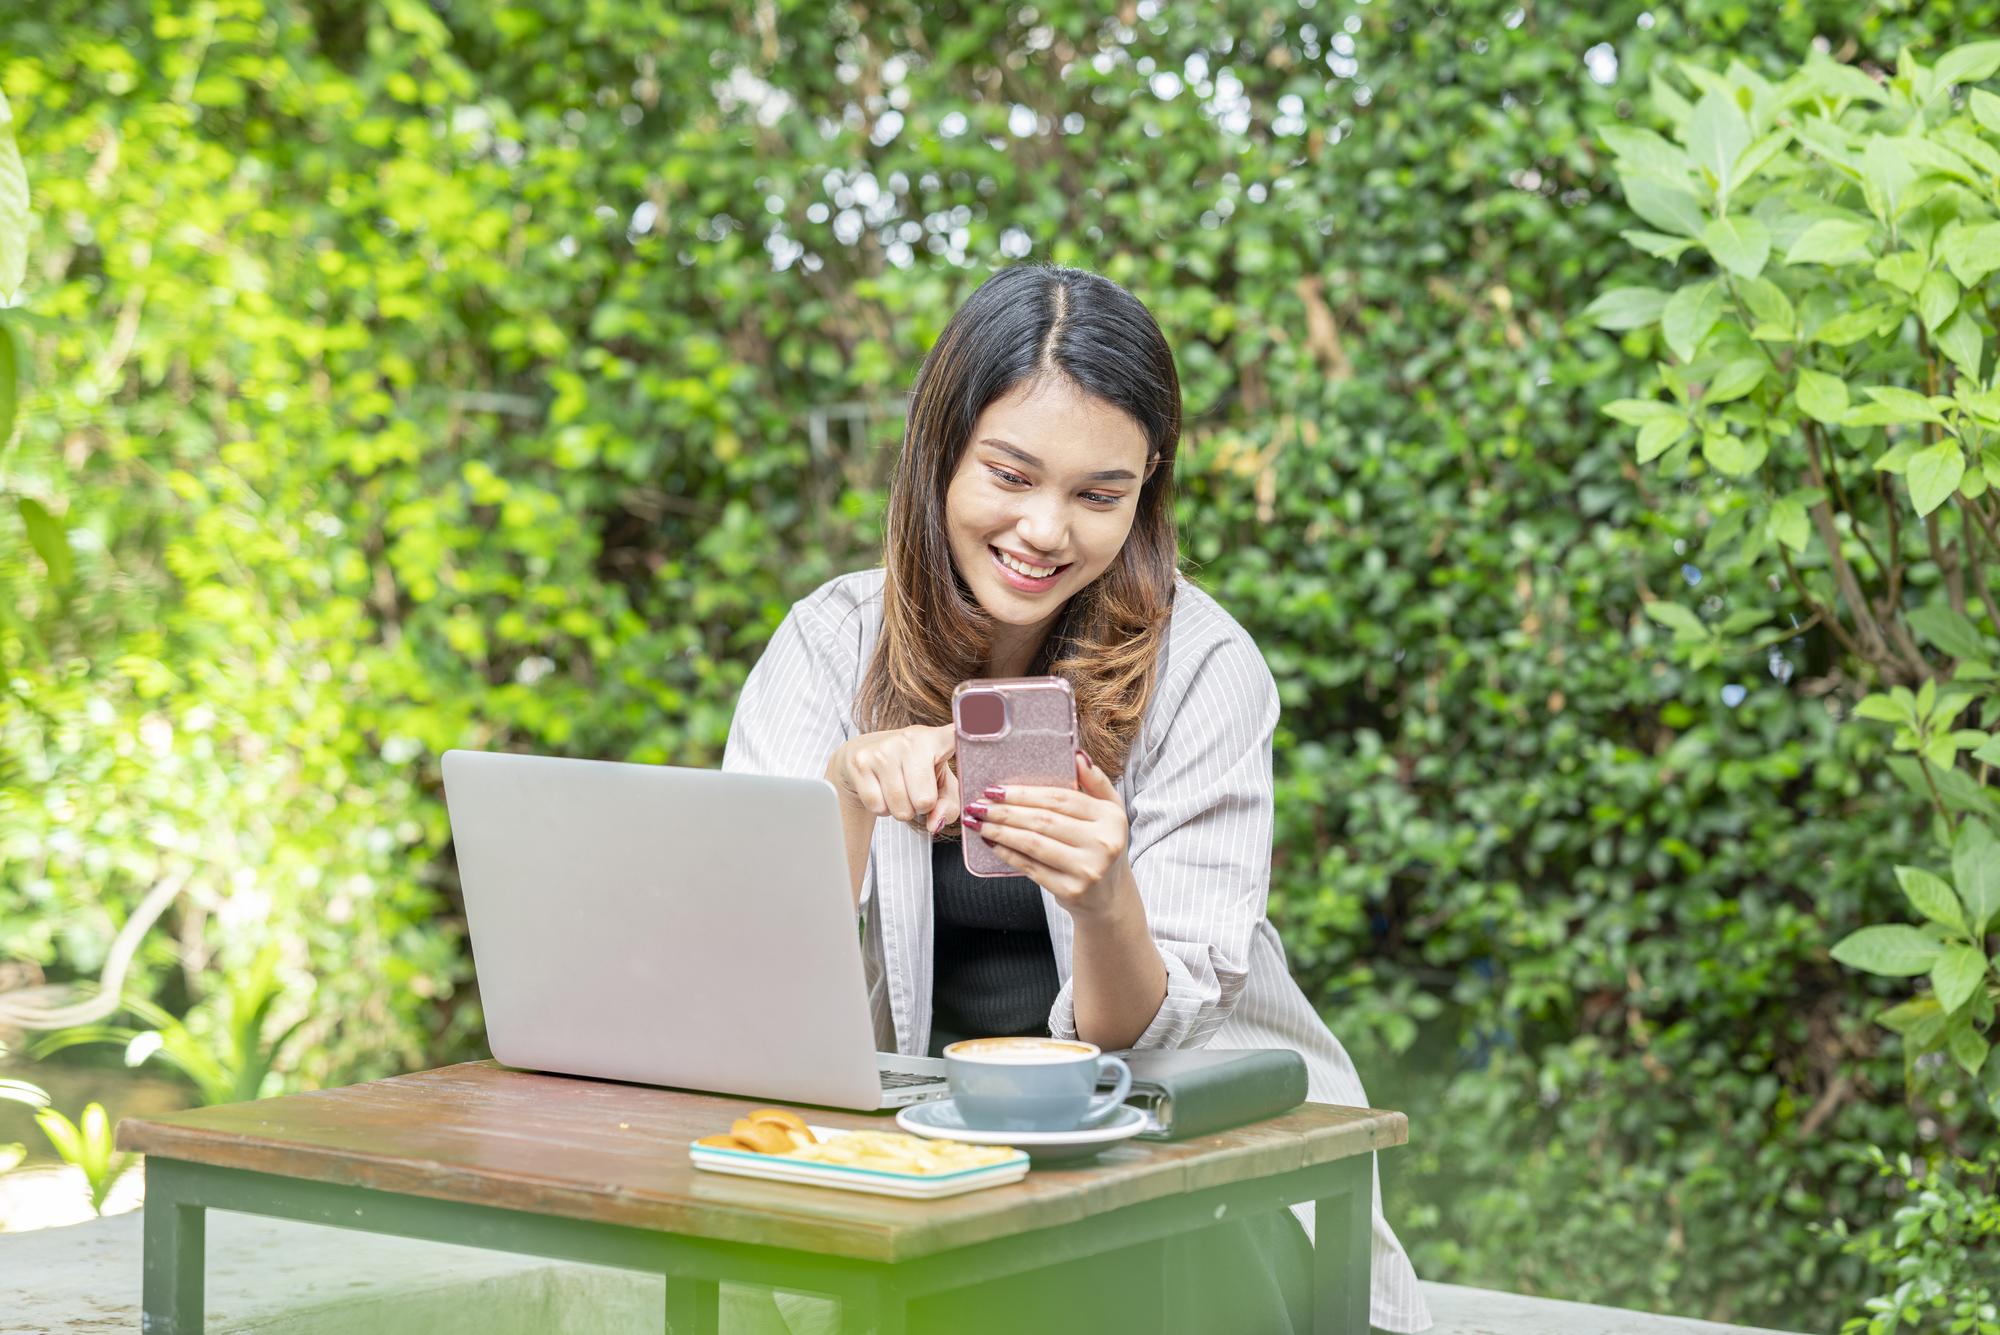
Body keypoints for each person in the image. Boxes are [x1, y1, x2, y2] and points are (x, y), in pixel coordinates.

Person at [724, 263, 1430, 1334]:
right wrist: (846, 792)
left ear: (1146, 493)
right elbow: (752, 981)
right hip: (942, 1171)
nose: (1046, 530)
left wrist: (1105, 902)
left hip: (1182, 1178)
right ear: (937, 458)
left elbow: (1144, 1042)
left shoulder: (1202, 670)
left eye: (1100, 495)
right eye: (1009, 475)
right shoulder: (830, 645)